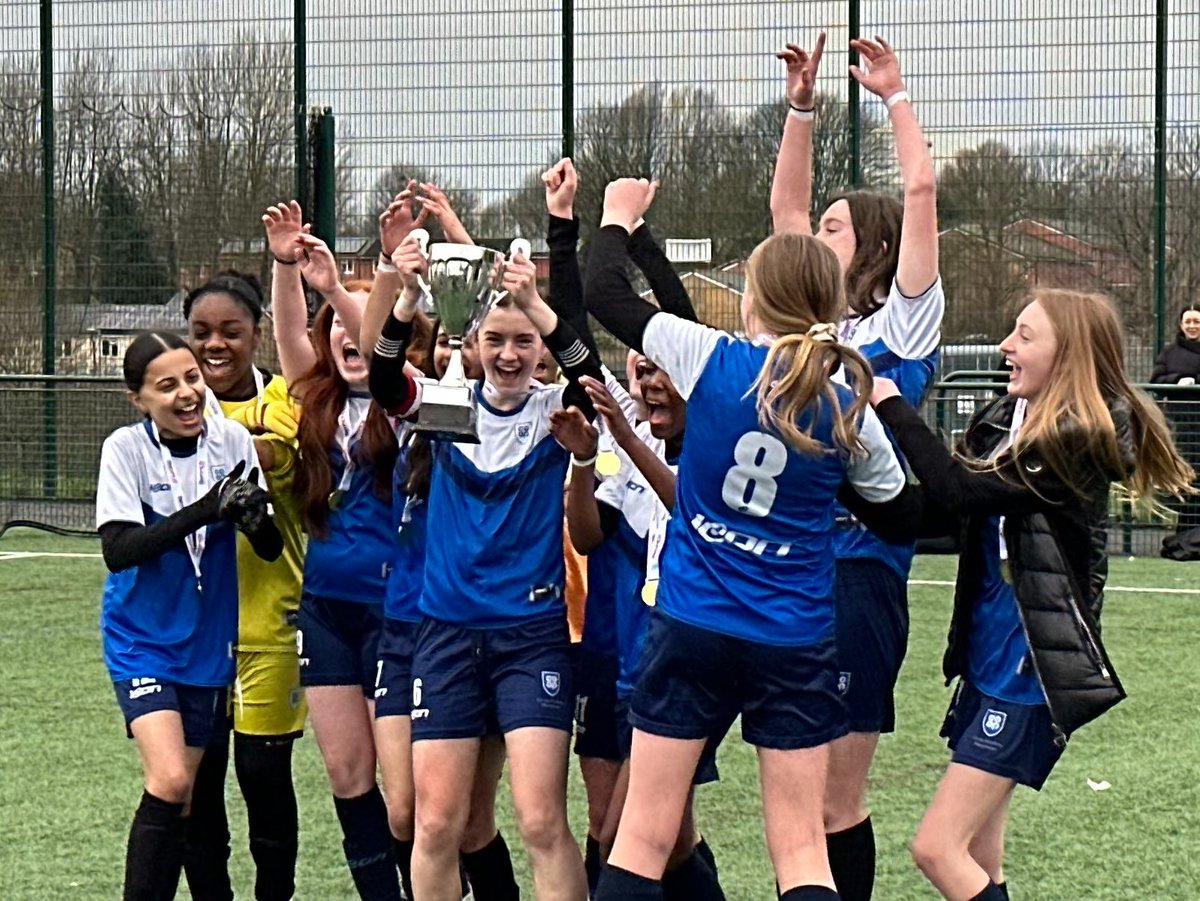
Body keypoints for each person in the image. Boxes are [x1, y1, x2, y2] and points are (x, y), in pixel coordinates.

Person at [585, 178, 920, 901]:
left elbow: (604, 293)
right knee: (801, 847)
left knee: (642, 832)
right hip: (793, 636)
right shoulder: (845, 401)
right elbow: (900, 515)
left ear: (753, 299)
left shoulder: (709, 357)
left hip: (692, 624)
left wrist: (617, 219)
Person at [869, 289, 1193, 901]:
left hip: (1031, 665)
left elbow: (960, 491)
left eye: (1024, 335)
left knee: (936, 849)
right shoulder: (1001, 419)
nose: (1004, 346)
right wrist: (844, 475)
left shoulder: (1076, 439)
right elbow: (936, 512)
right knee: (978, 859)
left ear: (1065, 354)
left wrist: (891, 406)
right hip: (987, 654)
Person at [367, 232, 603, 901]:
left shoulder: (556, 415)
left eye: (523, 341)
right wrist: (408, 299)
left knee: (539, 818)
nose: (508, 354)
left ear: (540, 351)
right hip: (443, 637)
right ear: (472, 345)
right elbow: (385, 378)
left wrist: (536, 301)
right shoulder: (450, 408)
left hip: (530, 638)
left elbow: (589, 378)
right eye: (495, 339)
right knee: (437, 823)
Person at [770, 34, 943, 900]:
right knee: (795, 803)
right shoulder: (814, 330)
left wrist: (893, 96)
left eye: (838, 225)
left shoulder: (901, 328)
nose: (818, 232)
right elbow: (785, 221)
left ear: (873, 246)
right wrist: (800, 109)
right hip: (795, 570)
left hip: (861, 578)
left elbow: (919, 189)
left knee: (837, 799)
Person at [365, 183, 521, 901]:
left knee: (471, 821)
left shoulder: (499, 412)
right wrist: (400, 276)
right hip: (408, 627)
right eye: (438, 348)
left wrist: (456, 243)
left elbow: (488, 308)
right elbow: (379, 361)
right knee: (412, 813)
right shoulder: (418, 410)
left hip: (479, 622)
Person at [98, 332, 282, 901]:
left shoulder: (231, 440)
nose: (187, 394)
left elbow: (271, 547)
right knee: (171, 778)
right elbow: (120, 550)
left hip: (208, 644)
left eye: (192, 378)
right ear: (138, 399)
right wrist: (208, 508)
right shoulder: (124, 450)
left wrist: (254, 517)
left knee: (185, 796)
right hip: (143, 640)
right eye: (167, 385)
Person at [264, 202, 404, 900]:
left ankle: (437, 883)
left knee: (405, 795)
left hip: (396, 611)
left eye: (358, 335)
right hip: (325, 609)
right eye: (337, 337)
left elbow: (375, 343)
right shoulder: (312, 395)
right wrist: (286, 265)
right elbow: (287, 330)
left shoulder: (405, 399)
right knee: (349, 778)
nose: (348, 344)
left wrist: (340, 292)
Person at [181, 272, 306, 901]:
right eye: (201, 333)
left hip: (268, 626)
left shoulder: (282, 400)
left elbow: (279, 464)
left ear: (257, 332)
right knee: (197, 789)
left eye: (231, 331)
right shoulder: (172, 408)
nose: (215, 345)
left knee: (263, 777)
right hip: (190, 636)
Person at [1150, 303, 1200, 532]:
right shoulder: (1170, 352)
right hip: (1181, 425)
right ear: (1180, 324)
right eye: (1188, 321)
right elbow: (1157, 381)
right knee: (1186, 477)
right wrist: (1178, 380)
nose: (1192, 325)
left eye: (1196, 321)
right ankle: (1187, 532)